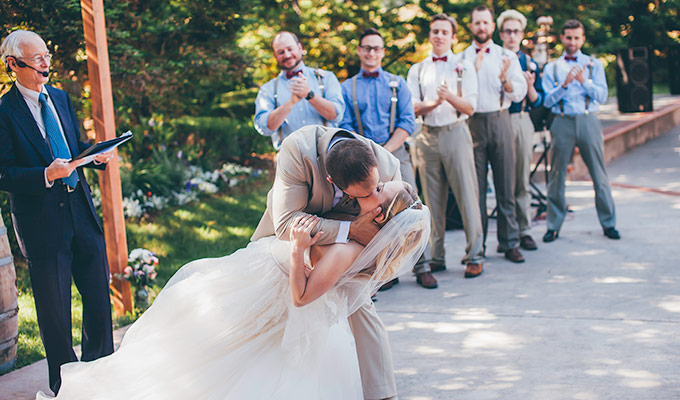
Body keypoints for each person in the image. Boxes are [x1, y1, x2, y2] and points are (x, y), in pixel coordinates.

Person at [36, 176, 430, 400]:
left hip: (268, 289)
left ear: (379, 213)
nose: (375, 183)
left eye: (382, 189)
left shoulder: (348, 251)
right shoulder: (353, 225)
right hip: (256, 274)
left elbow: (303, 296)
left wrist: (297, 251)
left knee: (210, 354)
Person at [251, 125, 411, 400]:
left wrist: (365, 270)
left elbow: (390, 226)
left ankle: (382, 393)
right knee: (267, 318)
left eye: (377, 188)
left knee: (360, 302)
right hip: (291, 242)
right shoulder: (297, 151)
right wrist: (347, 231)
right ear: (332, 181)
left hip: (341, 251)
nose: (375, 192)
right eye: (364, 194)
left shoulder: (385, 164)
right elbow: (286, 224)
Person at [0, 30, 116, 395]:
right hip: (42, 225)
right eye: (37, 58)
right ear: (12, 64)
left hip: (81, 213)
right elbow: (4, 172)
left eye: (46, 55)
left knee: (99, 302)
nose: (45, 63)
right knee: (55, 315)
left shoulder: (62, 99)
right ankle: (66, 388)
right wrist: (45, 175)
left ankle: (101, 378)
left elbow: (73, 147)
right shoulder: (4, 113)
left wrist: (94, 155)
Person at [340, 27, 437, 289]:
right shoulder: (347, 87)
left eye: (376, 48)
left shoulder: (398, 83)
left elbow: (407, 120)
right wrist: (369, 154)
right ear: (359, 51)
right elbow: (345, 125)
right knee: (373, 211)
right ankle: (383, 270)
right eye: (367, 47)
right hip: (362, 158)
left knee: (411, 206)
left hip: (396, 152)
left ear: (383, 52)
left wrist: (385, 150)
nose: (371, 52)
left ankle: (422, 264)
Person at [407, 13, 486, 279]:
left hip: (456, 133)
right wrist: (434, 103)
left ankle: (475, 255)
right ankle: (436, 256)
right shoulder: (417, 69)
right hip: (427, 136)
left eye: (444, 32)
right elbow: (413, 107)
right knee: (432, 200)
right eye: (435, 31)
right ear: (430, 35)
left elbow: (470, 107)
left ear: (453, 37)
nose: (439, 36)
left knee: (467, 195)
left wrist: (448, 96)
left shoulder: (464, 67)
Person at [541, 19, 620, 242]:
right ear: (562, 39)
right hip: (562, 120)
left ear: (583, 38)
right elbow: (547, 101)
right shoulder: (552, 67)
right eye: (569, 37)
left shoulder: (594, 65)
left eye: (577, 37)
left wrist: (584, 81)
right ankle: (553, 225)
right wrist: (564, 84)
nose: (572, 42)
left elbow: (602, 96)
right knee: (556, 175)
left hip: (588, 120)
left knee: (599, 174)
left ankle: (609, 223)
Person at [463, 5, 527, 264]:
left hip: (500, 119)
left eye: (485, 23)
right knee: (476, 190)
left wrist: (505, 80)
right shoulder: (462, 58)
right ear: (471, 26)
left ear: (492, 27)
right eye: (477, 23)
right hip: (471, 123)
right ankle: (478, 247)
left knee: (505, 185)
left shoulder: (506, 56)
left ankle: (510, 241)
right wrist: (473, 70)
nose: (481, 27)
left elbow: (519, 92)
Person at [497, 9, 544, 251]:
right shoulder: (494, 57)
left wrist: (530, 87)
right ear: (501, 33)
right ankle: (508, 233)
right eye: (507, 31)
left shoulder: (528, 61)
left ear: (522, 34)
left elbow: (538, 100)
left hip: (522, 118)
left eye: (516, 31)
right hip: (501, 119)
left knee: (522, 179)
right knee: (504, 180)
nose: (512, 35)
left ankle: (525, 229)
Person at [254, 31, 344, 149]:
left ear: (300, 48)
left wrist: (310, 95)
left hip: (326, 154)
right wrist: (290, 103)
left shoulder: (326, 78)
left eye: (290, 49)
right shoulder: (268, 89)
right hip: (290, 158)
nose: (287, 55)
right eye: (281, 52)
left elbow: (336, 115)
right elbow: (264, 127)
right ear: (275, 56)